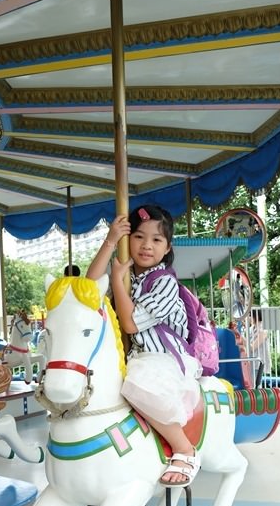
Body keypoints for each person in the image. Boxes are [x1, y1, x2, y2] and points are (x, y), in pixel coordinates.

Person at [86, 204, 201, 487]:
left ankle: (184, 448)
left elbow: (130, 324)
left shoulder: (164, 282)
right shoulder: (128, 275)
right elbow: (89, 285)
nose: (146, 245)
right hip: (137, 356)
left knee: (137, 386)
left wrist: (116, 280)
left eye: (156, 239)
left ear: (167, 247)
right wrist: (111, 240)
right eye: (138, 237)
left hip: (164, 357)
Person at [249, 309, 271, 376]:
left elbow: (252, 347)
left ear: (256, 317)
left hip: (259, 361)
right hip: (251, 361)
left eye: (250, 316)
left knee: (255, 384)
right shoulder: (251, 328)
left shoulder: (263, 330)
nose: (248, 318)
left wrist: (241, 337)